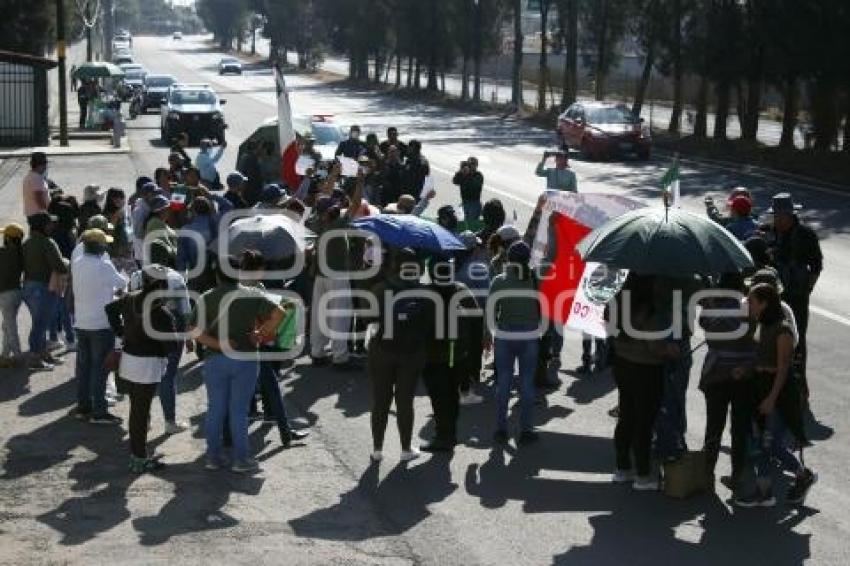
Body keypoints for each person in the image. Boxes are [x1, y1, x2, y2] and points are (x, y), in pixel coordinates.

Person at [188, 258, 285, 473]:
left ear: (217, 275)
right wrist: (262, 333)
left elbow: (194, 330)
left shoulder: (206, 297)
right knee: (239, 410)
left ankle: (212, 457)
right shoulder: (253, 294)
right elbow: (281, 313)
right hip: (247, 359)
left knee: (215, 409)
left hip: (215, 360)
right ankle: (241, 459)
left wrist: (219, 344)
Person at [733, 283, 816, 507]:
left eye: (751, 301)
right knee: (758, 442)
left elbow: (783, 369)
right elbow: (759, 356)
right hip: (759, 387)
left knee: (770, 443)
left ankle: (802, 474)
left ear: (764, 303)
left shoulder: (783, 330)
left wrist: (771, 398)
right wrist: (747, 369)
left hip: (779, 393)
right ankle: (764, 492)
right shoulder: (762, 325)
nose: (748, 305)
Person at [105, 265, 178, 472]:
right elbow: (171, 347)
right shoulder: (162, 314)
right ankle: (138, 458)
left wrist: (121, 332)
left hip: (129, 362)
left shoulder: (130, 298)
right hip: (148, 367)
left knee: (136, 411)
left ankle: (138, 453)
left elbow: (110, 309)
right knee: (140, 412)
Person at [609, 273, 677, 490]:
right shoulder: (649, 311)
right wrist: (670, 350)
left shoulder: (618, 303)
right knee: (644, 422)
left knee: (626, 416)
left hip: (622, 364)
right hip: (646, 369)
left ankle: (622, 468)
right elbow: (654, 346)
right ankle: (643, 474)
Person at [367, 248, 433, 463]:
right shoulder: (423, 292)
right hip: (411, 353)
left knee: (380, 401)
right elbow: (430, 325)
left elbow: (368, 321)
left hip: (382, 350)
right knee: (405, 401)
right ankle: (405, 448)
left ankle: (377, 449)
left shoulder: (379, 288)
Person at [238, 250, 310, 448]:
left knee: (239, 391)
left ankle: (229, 437)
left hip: (237, 344)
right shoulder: (258, 287)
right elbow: (273, 312)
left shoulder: (237, 283)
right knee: (273, 388)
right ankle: (286, 434)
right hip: (256, 345)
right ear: (259, 269)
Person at [698, 272, 754, 488]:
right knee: (739, 429)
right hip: (744, 375)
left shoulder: (713, 308)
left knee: (714, 426)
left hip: (716, 373)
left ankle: (707, 473)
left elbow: (705, 324)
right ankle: (737, 475)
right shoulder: (748, 308)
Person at [768, 192, 822, 401]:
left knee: (797, 341)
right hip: (775, 296)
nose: (778, 220)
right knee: (773, 339)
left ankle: (800, 387)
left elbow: (816, 266)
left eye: (782, 216)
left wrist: (807, 289)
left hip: (797, 297)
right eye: (776, 216)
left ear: (791, 215)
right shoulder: (770, 233)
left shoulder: (806, 235)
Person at [486, 241, 541, 445]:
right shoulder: (535, 279)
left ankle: (501, 428)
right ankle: (526, 429)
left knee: (504, 383)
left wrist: (489, 335)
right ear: (528, 259)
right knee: (527, 383)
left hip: (505, 334)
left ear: (508, 258)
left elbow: (490, 312)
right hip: (529, 335)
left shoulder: (499, 281)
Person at [307, 168, 363, 369]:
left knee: (319, 314)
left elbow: (323, 197)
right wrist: (360, 181)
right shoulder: (338, 224)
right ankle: (340, 356)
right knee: (340, 314)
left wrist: (333, 176)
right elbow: (356, 204)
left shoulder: (316, 222)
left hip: (320, 275)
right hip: (337, 276)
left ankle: (317, 352)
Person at [422, 257, 479, 452]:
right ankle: (450, 434)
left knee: (439, 399)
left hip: (433, 357)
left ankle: (443, 436)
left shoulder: (425, 294)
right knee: (452, 397)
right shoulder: (461, 290)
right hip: (458, 355)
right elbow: (476, 321)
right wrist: (474, 362)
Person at [71, 229, 128, 423]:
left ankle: (83, 407)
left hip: (82, 323)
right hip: (100, 324)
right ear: (99, 246)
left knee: (84, 368)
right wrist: (122, 273)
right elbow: (122, 283)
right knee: (100, 370)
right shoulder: (103, 265)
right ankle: (99, 412)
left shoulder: (77, 263)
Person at [127, 264, 192, 435]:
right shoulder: (176, 279)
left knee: (143, 378)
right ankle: (169, 422)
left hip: (140, 327)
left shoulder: (136, 276)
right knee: (167, 377)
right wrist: (188, 337)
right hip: (169, 328)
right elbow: (185, 310)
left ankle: (144, 420)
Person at [22, 212, 69, 370]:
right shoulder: (47, 242)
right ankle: (35, 359)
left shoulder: (27, 243)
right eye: (49, 223)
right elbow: (59, 266)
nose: (52, 225)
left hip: (28, 287)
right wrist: (66, 263)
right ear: (42, 226)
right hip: (43, 288)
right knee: (41, 324)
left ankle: (43, 355)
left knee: (39, 323)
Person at [0, 224, 25, 367]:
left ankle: (17, 356)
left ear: (8, 238)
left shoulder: (3, 252)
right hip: (17, 293)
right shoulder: (21, 253)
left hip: (5, 295)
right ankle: (4, 355)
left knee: (10, 326)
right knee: (6, 325)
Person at [103, 187, 134, 273]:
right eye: (117, 198)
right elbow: (108, 234)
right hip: (116, 253)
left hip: (125, 250)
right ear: (111, 200)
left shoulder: (123, 212)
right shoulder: (110, 215)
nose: (121, 200)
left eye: (122, 197)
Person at [144, 195, 178, 268]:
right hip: (164, 264)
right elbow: (164, 245)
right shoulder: (156, 223)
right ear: (161, 210)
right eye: (167, 209)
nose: (169, 211)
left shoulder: (160, 222)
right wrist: (178, 254)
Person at [452, 157, 484, 224]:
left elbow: (473, 185)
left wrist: (467, 175)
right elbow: (455, 181)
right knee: (465, 222)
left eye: (473, 164)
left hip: (474, 203)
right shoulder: (463, 174)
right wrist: (460, 171)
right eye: (469, 164)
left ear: (476, 165)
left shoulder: (478, 175)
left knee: (471, 223)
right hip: (465, 202)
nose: (471, 166)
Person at [22, 152, 50, 224]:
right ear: (40, 165)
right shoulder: (36, 178)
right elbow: (39, 198)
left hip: (33, 214)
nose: (46, 167)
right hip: (38, 215)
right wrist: (47, 212)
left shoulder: (31, 175)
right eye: (45, 164)